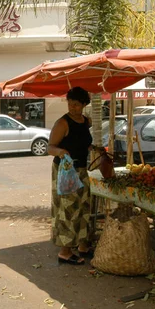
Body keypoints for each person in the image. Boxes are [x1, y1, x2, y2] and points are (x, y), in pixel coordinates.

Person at [48, 87, 98, 265]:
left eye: (76, 104)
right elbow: (49, 147)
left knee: (84, 208)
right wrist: (60, 151)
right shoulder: (62, 123)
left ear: (84, 104)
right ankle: (65, 251)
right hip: (65, 172)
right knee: (68, 210)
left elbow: (83, 142)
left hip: (82, 170)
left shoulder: (86, 121)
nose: (72, 107)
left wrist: (93, 149)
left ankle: (83, 245)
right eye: (70, 103)